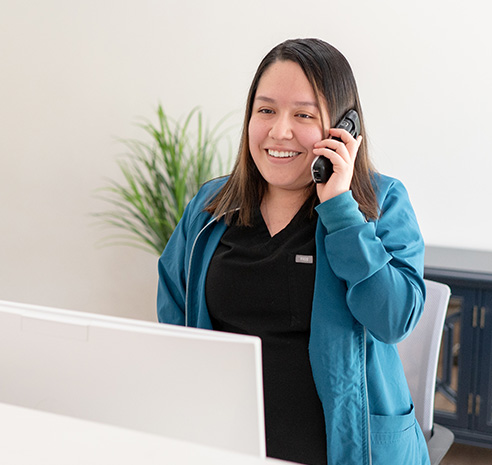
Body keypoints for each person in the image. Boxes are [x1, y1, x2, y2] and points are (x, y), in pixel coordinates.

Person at [157, 38, 429, 465]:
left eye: (303, 115)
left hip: (347, 451)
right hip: (227, 446)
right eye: (265, 110)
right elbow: (174, 314)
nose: (279, 131)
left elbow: (393, 318)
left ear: (343, 129)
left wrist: (341, 209)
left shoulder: (381, 202)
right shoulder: (212, 206)